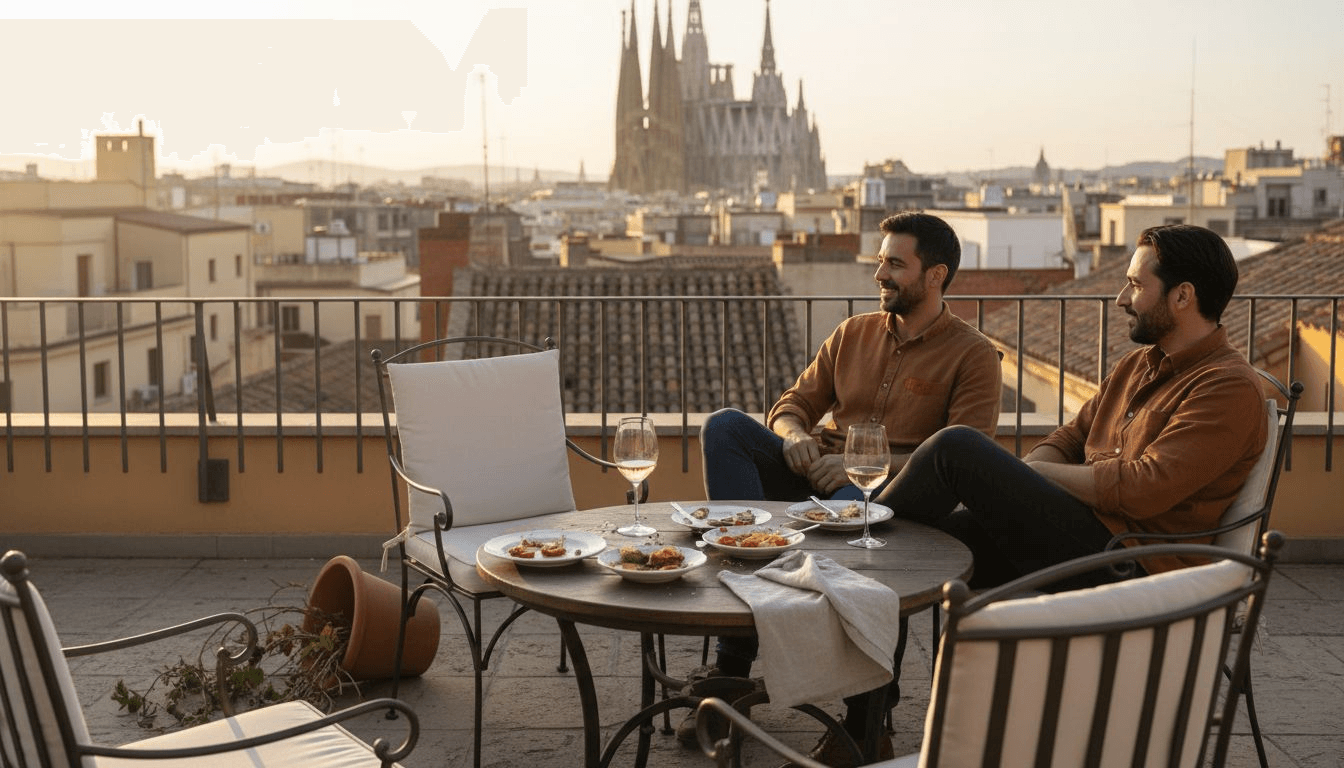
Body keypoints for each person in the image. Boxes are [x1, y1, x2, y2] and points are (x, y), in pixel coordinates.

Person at [801, 223, 1270, 767]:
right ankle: (864, 727)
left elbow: (1141, 490)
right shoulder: (1138, 366)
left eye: (1136, 285)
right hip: (1080, 531)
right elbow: (1064, 441)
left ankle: (840, 550)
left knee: (955, 450)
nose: (1121, 299)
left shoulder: (1226, 387)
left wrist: (1029, 477)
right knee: (914, 545)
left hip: (1131, 561)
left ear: (1183, 296)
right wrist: (1035, 475)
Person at [682, 211, 1004, 749]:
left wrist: (864, 469)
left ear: (935, 276)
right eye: (879, 261)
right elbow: (792, 406)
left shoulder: (973, 355)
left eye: (894, 265)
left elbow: (965, 455)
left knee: (859, 501)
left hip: (895, 499)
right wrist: (793, 437)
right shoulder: (852, 333)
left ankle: (864, 723)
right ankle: (732, 672)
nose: (880, 274)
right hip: (817, 480)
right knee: (725, 428)